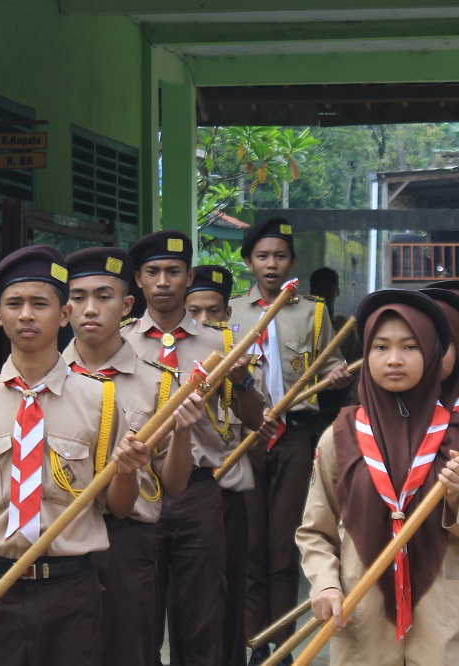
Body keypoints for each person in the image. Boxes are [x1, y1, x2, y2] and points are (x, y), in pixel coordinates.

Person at [0, 245, 153, 666]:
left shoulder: (101, 401)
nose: (26, 314)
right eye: (14, 304)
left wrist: (128, 472)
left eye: (40, 303)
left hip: (72, 593)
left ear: (64, 314)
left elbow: (118, 507)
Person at [297, 289, 459, 666]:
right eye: (381, 347)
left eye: (410, 347)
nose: (394, 359)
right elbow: (315, 530)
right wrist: (325, 583)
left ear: (433, 353)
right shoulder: (340, 437)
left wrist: (458, 497)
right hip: (361, 613)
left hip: (440, 619)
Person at [122, 230, 266, 666]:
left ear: (189, 277)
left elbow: (255, 420)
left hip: (200, 491)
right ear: (138, 280)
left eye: (174, 271)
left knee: (201, 617)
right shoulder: (119, 343)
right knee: (139, 618)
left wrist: (241, 379)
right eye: (153, 272)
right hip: (138, 491)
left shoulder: (222, 343)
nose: (163, 281)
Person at [62, 246, 205, 666]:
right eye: (78, 297)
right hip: (61, 541)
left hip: (126, 543)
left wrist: (184, 430)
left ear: (127, 305)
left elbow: (174, 485)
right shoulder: (46, 381)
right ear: (65, 308)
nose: (90, 309)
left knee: (130, 653)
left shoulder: (158, 382)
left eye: (104, 296)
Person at [231, 218, 352, 665]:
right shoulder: (231, 313)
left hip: (294, 434)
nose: (271, 264)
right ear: (249, 262)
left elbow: (330, 364)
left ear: (293, 261)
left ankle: (280, 645)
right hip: (246, 438)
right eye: (262, 256)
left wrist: (336, 374)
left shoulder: (313, 312)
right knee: (251, 547)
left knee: (283, 548)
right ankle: (254, 643)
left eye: (280, 256)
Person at [185, 264, 261, 666]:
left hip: (223, 487)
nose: (204, 320)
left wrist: (242, 378)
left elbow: (257, 419)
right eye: (194, 311)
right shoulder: (164, 350)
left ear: (227, 313)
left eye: (213, 311)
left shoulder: (238, 350)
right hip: (167, 492)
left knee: (226, 592)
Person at [308, 267, 362, 428]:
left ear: (337, 292)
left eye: (329, 289)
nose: (324, 294)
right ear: (311, 293)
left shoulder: (346, 327)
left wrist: (346, 404)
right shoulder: (304, 325)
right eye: (319, 290)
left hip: (339, 395)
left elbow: (355, 366)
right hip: (308, 396)